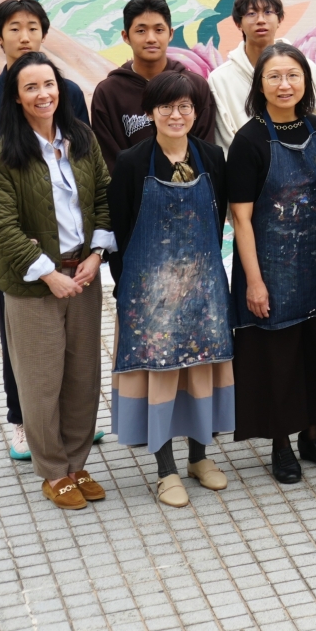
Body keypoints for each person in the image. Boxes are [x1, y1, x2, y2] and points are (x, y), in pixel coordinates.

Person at [0, 0, 92, 463]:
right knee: (25, 342)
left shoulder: (68, 94)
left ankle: (68, 426)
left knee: (74, 348)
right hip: (19, 246)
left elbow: (88, 168)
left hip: (72, 247)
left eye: (33, 26)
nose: (24, 35)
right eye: (14, 28)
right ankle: (21, 419)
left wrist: (94, 239)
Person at [0, 52, 114, 510]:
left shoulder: (81, 138)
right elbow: (1, 228)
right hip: (35, 284)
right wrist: (48, 273)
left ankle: (77, 463)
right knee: (40, 381)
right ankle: (53, 471)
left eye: (50, 84)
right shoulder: (3, 155)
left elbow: (103, 196)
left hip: (84, 273)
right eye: (32, 88)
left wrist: (97, 254)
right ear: (17, 99)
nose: (44, 94)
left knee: (82, 375)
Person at [226, 43, 316, 485]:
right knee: (277, 359)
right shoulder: (249, 140)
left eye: (293, 75)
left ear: (306, 81)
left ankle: (312, 436)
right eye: (274, 76)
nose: (285, 85)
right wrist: (255, 282)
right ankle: (281, 444)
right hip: (271, 268)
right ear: (259, 85)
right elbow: (240, 218)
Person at [107, 72, 234, 508]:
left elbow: (217, 227)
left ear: (196, 113)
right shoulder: (131, 163)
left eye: (185, 107)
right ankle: (165, 470)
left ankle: (200, 457)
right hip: (150, 296)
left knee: (202, 370)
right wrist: (130, 293)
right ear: (150, 112)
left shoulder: (213, 157)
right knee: (159, 375)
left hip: (203, 288)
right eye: (166, 106)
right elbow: (120, 233)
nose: (176, 115)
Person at [91, 0, 217, 164]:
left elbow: (205, 150)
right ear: (126, 36)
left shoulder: (195, 86)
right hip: (131, 188)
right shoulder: (108, 93)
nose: (151, 38)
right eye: (141, 30)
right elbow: (109, 160)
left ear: (170, 34)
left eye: (159, 30)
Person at [209, 0, 287, 149]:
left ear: (279, 19)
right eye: (251, 13)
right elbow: (223, 138)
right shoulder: (220, 79)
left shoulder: (304, 69)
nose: (260, 20)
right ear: (238, 23)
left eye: (268, 12)